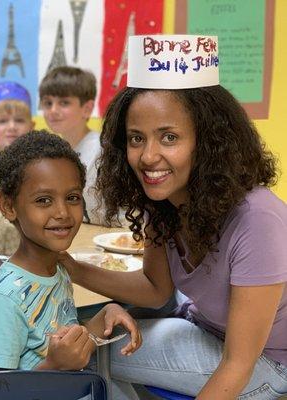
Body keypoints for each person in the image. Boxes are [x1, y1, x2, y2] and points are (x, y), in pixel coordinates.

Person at [60, 35, 287, 399]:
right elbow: (156, 289)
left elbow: (238, 364)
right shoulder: (164, 203)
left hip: (267, 363)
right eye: (136, 139)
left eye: (168, 138)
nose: (148, 156)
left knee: (87, 355)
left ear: (209, 142)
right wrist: (71, 266)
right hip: (203, 329)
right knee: (83, 343)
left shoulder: (257, 219)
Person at [0, 130, 141, 371]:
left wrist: (105, 315)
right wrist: (54, 367)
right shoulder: (5, 299)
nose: (63, 213)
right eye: (44, 200)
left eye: (73, 197)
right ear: (8, 205)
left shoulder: (58, 270)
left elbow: (63, 342)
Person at [39, 66, 105, 225]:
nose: (53, 110)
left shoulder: (101, 150)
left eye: (64, 103)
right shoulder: (55, 151)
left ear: (87, 109)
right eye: (48, 103)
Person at [0, 81, 35, 194]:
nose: (12, 127)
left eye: (19, 120)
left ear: (32, 127)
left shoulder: (39, 163)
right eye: (2, 121)